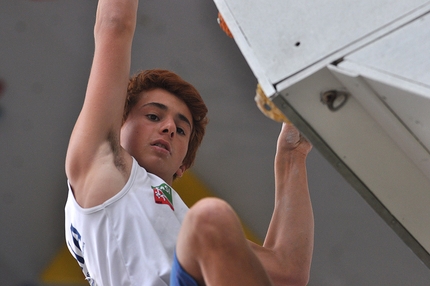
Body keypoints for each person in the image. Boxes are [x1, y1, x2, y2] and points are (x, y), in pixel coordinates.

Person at [64, 0, 314, 285]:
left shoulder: (185, 225)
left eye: (181, 130)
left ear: (182, 166)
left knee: (211, 223)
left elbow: (287, 270)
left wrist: (291, 154)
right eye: (153, 115)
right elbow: (114, 26)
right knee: (210, 218)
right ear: (118, 124)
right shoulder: (99, 166)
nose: (169, 127)